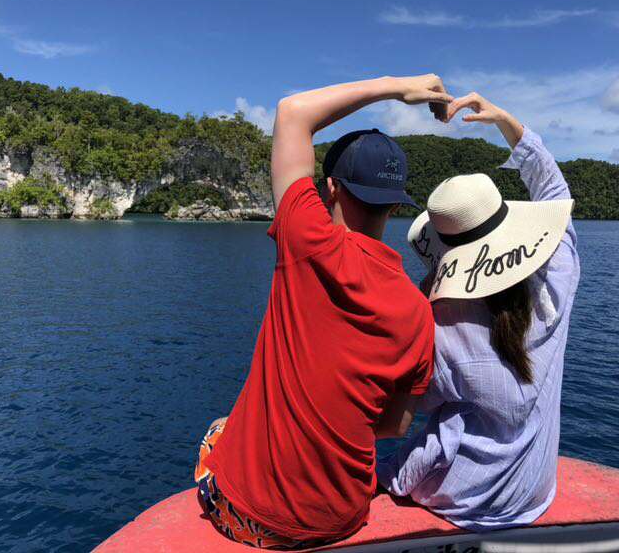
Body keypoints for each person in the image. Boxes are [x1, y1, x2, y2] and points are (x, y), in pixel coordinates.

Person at [193, 75, 453, 548]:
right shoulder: (419, 310)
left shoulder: (306, 240)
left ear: (330, 188)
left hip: (253, 517)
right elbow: (395, 426)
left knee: (219, 431)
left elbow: (293, 112)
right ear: (396, 207)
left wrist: (399, 88)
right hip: (342, 517)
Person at [377, 92, 580, 531]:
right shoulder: (557, 281)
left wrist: (427, 293)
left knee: (380, 469)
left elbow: (400, 413)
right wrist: (508, 122)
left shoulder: (437, 326)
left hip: (462, 498)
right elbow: (555, 194)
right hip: (535, 491)